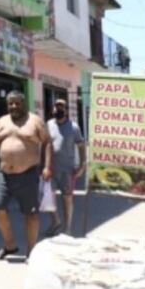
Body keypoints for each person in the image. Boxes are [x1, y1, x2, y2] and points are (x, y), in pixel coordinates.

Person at [0, 90, 52, 260]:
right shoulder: (1, 122)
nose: (13, 106)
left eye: (17, 103)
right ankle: (9, 245)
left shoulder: (34, 121)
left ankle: (31, 252)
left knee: (32, 214)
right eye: (10, 103)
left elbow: (47, 142)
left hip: (27, 174)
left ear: (23, 103)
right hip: (4, 174)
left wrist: (47, 167)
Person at [45, 99, 86, 236]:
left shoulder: (73, 127)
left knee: (67, 198)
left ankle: (67, 229)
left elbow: (81, 146)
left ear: (66, 110)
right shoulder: (49, 124)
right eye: (56, 107)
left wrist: (82, 165)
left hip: (67, 170)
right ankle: (56, 221)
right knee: (48, 197)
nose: (58, 109)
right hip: (51, 168)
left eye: (61, 107)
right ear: (53, 110)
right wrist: (44, 166)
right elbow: (46, 145)